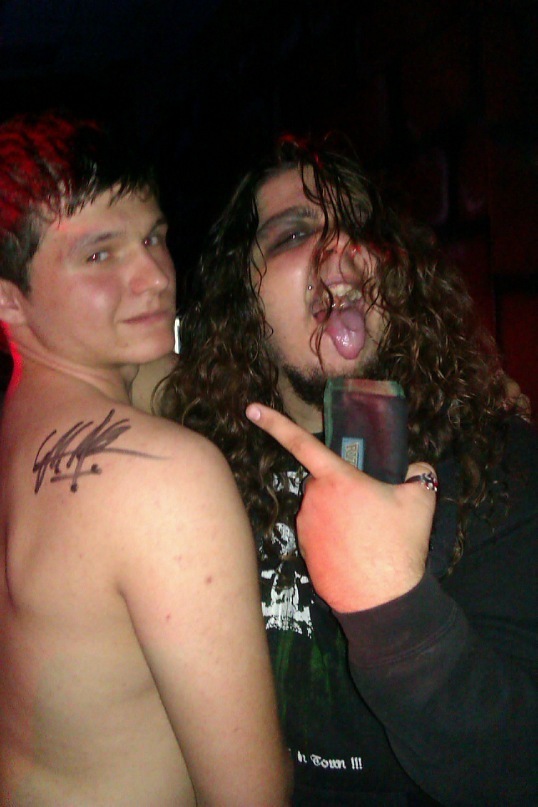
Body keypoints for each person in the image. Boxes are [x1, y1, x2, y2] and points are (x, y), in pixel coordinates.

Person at [153, 135, 537, 805]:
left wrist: (394, 606)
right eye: (293, 233)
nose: (342, 248)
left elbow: (518, 772)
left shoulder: (494, 459)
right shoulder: (195, 464)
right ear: (243, 300)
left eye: (362, 228)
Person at [0, 111, 291, 806]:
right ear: (9, 301)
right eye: (99, 255)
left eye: (154, 237)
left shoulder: (22, 419)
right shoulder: (160, 477)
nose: (156, 276)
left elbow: (174, 376)